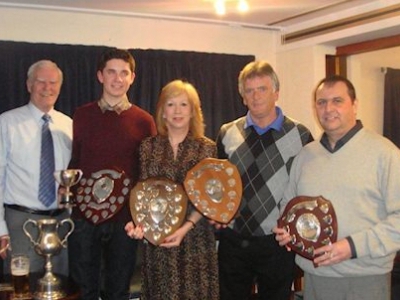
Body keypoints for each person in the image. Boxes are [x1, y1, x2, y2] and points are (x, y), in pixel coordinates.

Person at [274, 75, 400, 300]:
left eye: (337, 101)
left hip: (364, 278)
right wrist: (288, 231)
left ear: (355, 105)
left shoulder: (386, 154)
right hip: (315, 277)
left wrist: (352, 247)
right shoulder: (305, 156)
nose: (328, 108)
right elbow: (288, 205)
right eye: (321, 102)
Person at [216, 60, 313, 300]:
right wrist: (215, 212)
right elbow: (217, 183)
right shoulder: (227, 132)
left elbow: (308, 187)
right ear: (242, 97)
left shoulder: (300, 135)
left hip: (277, 241)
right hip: (234, 239)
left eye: (262, 89)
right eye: (249, 90)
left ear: (276, 93)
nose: (256, 96)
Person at [67, 48, 156, 300]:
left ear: (132, 78)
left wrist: (141, 216)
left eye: (123, 73)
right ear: (100, 76)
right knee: (83, 291)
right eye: (111, 72)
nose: (118, 79)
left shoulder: (144, 121)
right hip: (85, 218)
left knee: (118, 291)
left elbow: (148, 175)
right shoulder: (82, 116)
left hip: (125, 221)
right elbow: (74, 163)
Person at [125, 79, 219, 300]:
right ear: (163, 112)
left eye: (184, 105)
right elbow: (141, 195)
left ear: (193, 112)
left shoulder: (207, 147)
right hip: (158, 244)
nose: (177, 110)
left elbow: (209, 197)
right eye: (171, 104)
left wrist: (185, 227)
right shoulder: (148, 147)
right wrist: (137, 223)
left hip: (195, 240)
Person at [0, 60, 72, 275]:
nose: (47, 88)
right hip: (21, 223)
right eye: (41, 82)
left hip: (60, 222)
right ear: (29, 84)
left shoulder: (70, 125)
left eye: (53, 82)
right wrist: (0, 229)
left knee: (60, 288)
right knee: (22, 290)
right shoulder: (7, 123)